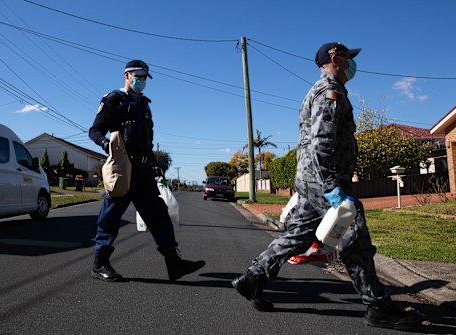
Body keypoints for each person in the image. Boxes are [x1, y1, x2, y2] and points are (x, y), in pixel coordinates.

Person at [231, 43, 422, 330]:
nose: (352, 64)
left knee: (299, 235)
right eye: (348, 58)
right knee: (354, 234)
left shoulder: (330, 90)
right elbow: (322, 141)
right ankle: (376, 305)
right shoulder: (328, 92)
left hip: (313, 178)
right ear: (335, 58)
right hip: (324, 179)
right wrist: (332, 186)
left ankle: (253, 278)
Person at [88, 60, 205, 282]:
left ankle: (174, 263)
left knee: (159, 215)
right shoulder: (113, 99)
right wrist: (107, 144)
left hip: (143, 169)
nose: (141, 80)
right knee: (110, 216)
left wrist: (154, 164)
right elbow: (95, 130)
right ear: (127, 74)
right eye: (138, 75)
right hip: (122, 167)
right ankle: (99, 263)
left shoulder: (145, 105)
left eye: (144, 77)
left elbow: (147, 142)